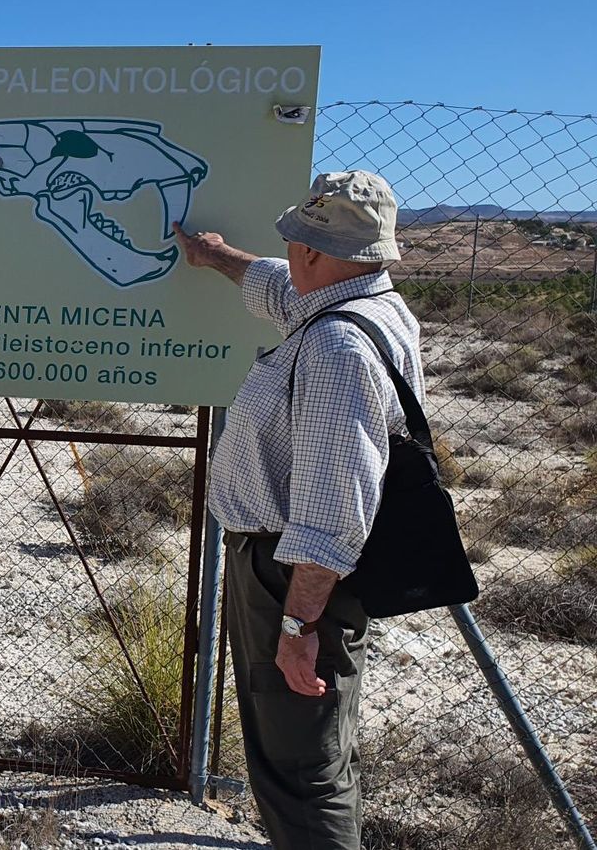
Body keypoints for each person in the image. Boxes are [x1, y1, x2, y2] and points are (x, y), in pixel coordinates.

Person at [172, 170, 422, 850]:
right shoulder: (362, 308)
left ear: (313, 252)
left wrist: (297, 622)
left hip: (296, 577)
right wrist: (216, 255)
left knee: (300, 771)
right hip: (295, 571)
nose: (289, 258)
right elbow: (279, 289)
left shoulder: (337, 348)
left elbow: (336, 505)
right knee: (309, 755)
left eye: (296, 245)